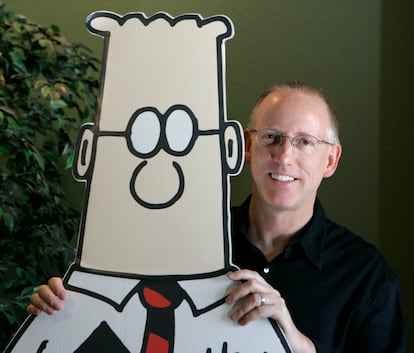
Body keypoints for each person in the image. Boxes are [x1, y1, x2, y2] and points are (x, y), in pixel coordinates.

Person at [27, 82, 405, 352]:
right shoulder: (180, 241)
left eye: (305, 142)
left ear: (330, 160)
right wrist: (63, 311)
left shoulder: (368, 277)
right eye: (271, 137)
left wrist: (295, 342)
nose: (285, 156)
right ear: (244, 146)